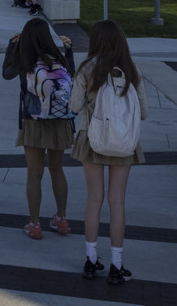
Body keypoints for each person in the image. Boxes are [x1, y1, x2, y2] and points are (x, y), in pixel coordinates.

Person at [69, 18, 147, 286]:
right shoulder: (131, 69)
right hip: (124, 142)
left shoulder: (86, 68)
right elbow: (143, 112)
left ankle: (91, 260)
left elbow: (75, 106)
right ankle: (117, 264)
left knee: (94, 199)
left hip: (91, 138)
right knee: (117, 201)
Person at [3, 18, 75, 241]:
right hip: (60, 121)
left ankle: (34, 224)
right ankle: (61, 219)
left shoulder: (25, 60)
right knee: (57, 170)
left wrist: (11, 47)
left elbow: (6, 73)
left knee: (34, 173)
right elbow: (71, 74)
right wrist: (69, 50)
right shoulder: (59, 58)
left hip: (33, 120)